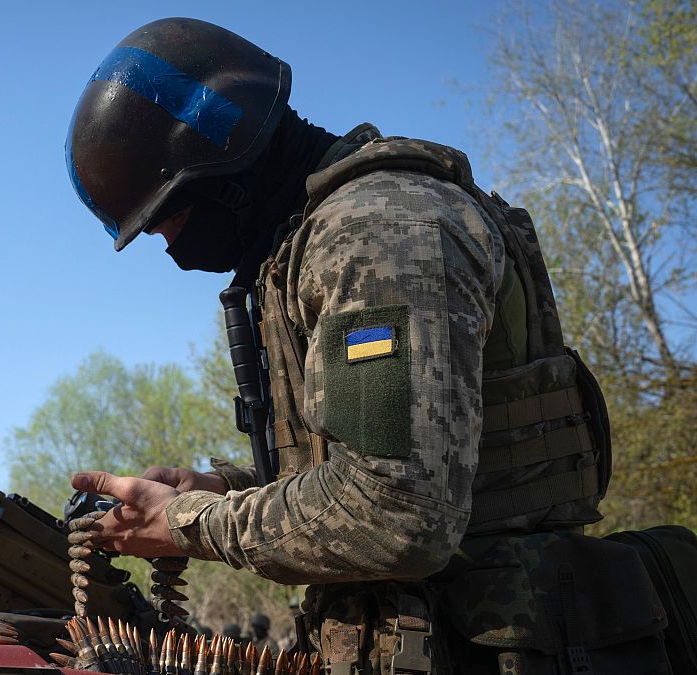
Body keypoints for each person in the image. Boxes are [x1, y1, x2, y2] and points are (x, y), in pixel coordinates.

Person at [62, 17, 661, 674]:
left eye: (164, 216)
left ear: (219, 166)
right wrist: (218, 486)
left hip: (499, 648)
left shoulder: (378, 230)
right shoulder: (316, 242)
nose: (169, 245)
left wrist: (189, 522)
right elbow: (377, 465)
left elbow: (396, 512)